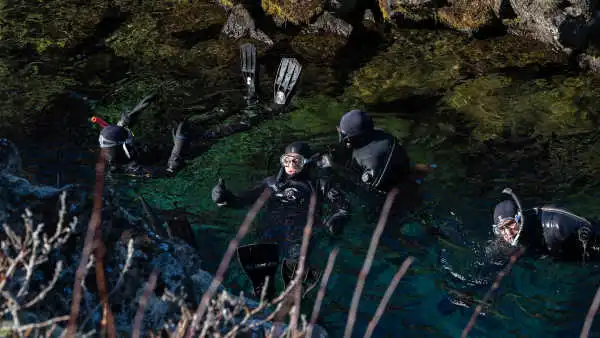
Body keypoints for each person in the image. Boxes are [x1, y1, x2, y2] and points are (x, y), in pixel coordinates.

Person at [211, 141, 349, 299]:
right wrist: (225, 198)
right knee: (260, 285)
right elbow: (243, 200)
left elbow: (343, 207)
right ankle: (259, 311)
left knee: (295, 284)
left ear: (307, 162)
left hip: (298, 235)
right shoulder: (271, 183)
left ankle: (296, 312)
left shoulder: (319, 185)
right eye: (286, 160)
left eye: (296, 161)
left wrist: (338, 218)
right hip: (270, 231)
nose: (290, 165)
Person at [336, 109, 435, 194]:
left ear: (352, 139)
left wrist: (336, 170)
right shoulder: (383, 135)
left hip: (395, 194)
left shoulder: (370, 162)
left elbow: (366, 191)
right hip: (404, 172)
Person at [91, 93, 189, 178]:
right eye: (129, 138)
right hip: (165, 156)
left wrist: (147, 100)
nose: (131, 137)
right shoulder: (136, 169)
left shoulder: (112, 150)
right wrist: (180, 140)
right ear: (123, 146)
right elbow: (170, 173)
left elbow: (119, 129)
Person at [491, 188, 600, 262]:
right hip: (560, 259)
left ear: (519, 218)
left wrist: (585, 231)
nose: (508, 233)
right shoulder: (504, 240)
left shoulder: (557, 224)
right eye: (502, 228)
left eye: (510, 224)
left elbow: (588, 225)